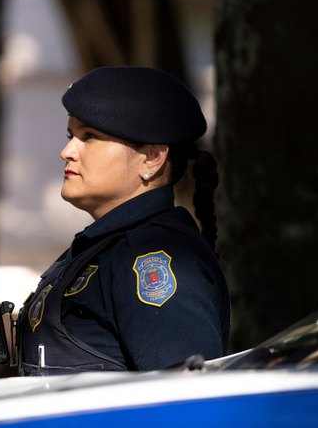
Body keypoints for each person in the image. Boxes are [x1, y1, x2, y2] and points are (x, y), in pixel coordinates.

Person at [17, 66, 230, 376]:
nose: (67, 151)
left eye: (89, 136)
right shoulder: (107, 248)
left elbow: (184, 406)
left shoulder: (152, 258)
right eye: (71, 135)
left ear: (152, 158)